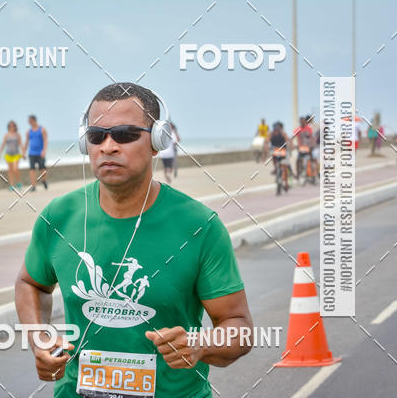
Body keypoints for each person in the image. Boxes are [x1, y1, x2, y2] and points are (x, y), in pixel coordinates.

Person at [15, 82, 252, 398]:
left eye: (125, 134)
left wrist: (202, 344)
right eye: (96, 136)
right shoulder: (58, 217)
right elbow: (30, 283)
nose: (108, 146)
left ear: (158, 141)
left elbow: (238, 326)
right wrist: (40, 339)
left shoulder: (200, 227)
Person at [23, 115, 48, 192]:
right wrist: (23, 152)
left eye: (30, 121)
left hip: (40, 153)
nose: (29, 122)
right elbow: (26, 142)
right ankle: (33, 186)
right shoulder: (28, 131)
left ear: (34, 120)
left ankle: (44, 180)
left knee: (42, 169)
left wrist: (44, 151)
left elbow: (45, 140)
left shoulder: (42, 129)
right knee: (32, 170)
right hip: (32, 153)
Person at [0, 120, 23, 191]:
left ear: (15, 127)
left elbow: (20, 144)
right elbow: (3, 145)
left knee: (15, 169)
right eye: (10, 126)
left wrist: (23, 153)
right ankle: (11, 185)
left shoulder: (17, 135)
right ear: (8, 127)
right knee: (10, 170)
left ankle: (19, 183)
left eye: (13, 126)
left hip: (16, 154)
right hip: (8, 154)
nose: (12, 127)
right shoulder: (6, 135)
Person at [292, 116, 314, 180]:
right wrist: (293, 145)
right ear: (300, 122)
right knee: (298, 160)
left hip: (308, 147)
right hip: (301, 148)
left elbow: (311, 138)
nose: (302, 123)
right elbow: (292, 137)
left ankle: (313, 172)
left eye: (303, 121)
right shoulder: (298, 129)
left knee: (311, 158)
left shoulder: (308, 128)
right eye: (301, 122)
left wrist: (312, 145)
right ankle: (298, 174)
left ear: (305, 122)